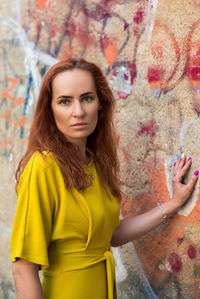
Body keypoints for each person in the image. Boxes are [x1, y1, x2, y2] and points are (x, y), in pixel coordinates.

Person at [10, 58, 199, 299]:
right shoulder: (43, 166)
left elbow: (111, 235)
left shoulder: (93, 163)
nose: (78, 112)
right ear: (50, 109)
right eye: (65, 101)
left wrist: (171, 205)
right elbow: (23, 268)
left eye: (87, 98)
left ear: (100, 104)